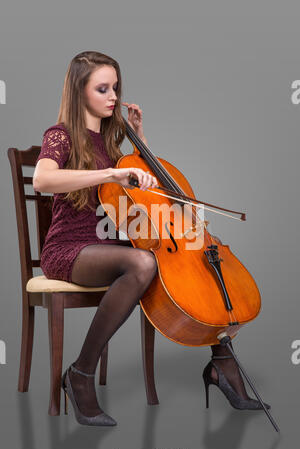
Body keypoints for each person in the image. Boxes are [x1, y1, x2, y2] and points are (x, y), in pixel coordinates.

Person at [33, 51, 269, 427]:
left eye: (116, 87)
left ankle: (222, 364)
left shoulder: (112, 143)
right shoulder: (60, 135)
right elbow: (42, 180)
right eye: (103, 88)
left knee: (195, 254)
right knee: (142, 262)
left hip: (106, 244)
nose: (113, 96)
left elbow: (148, 192)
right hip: (69, 249)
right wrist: (108, 175)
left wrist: (140, 140)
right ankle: (79, 374)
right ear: (79, 92)